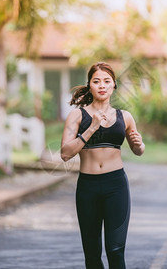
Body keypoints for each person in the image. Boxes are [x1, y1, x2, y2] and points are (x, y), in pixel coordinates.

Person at [61, 61, 145, 269]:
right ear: (89, 84)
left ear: (114, 85)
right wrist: (91, 129)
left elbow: (138, 150)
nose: (102, 85)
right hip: (88, 188)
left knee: (115, 251)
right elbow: (65, 153)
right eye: (96, 81)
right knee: (92, 254)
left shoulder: (124, 117)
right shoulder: (77, 115)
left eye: (107, 81)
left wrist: (138, 144)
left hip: (115, 186)